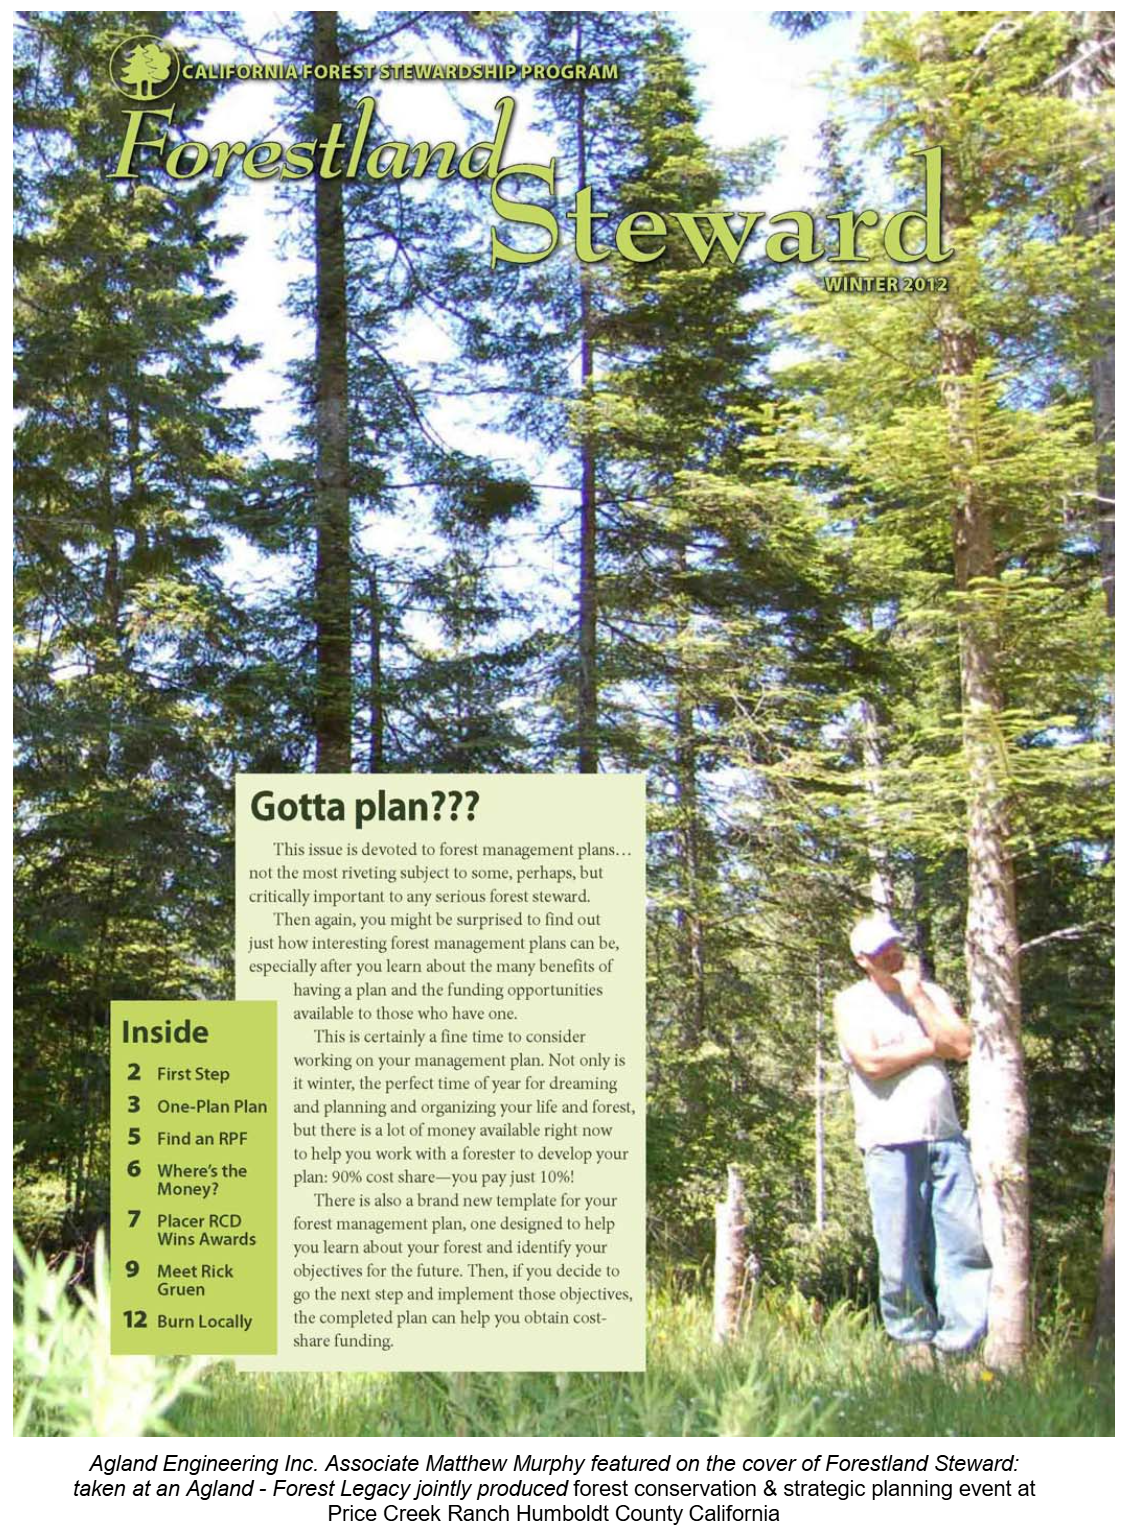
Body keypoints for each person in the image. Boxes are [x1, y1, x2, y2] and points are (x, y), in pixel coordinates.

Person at [834, 914, 991, 1362]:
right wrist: (929, 1045)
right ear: (862, 959)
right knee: (898, 1248)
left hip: (945, 1136)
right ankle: (912, 1341)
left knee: (963, 1242)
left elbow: (961, 1046)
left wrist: (918, 996)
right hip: (888, 1139)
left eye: (895, 945)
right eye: (881, 950)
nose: (892, 954)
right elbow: (872, 1063)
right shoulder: (852, 1003)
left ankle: (960, 1347)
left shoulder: (931, 994)